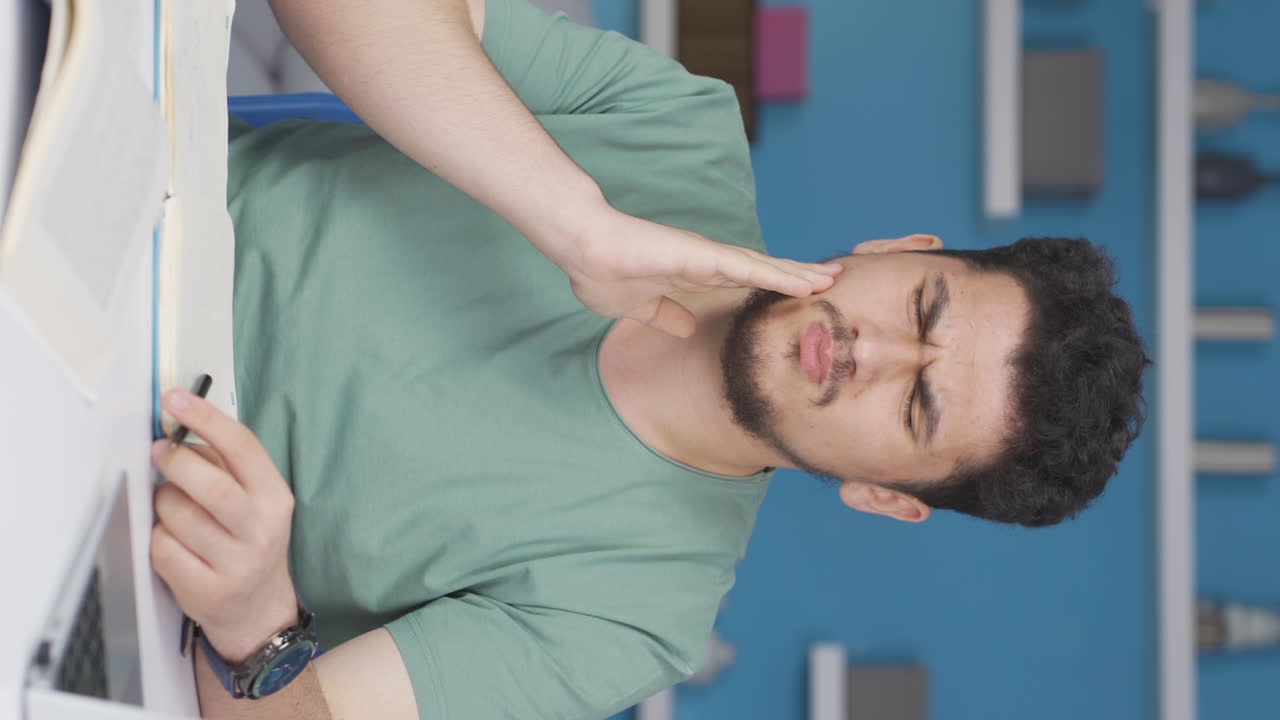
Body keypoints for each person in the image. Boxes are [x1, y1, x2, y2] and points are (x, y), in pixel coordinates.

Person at [147, 0, 1150, 718]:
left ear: (885, 496)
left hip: (120, 499)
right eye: (920, 307)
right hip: (121, 215)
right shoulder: (676, 126)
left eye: (915, 406)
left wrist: (255, 624)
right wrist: (570, 218)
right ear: (900, 249)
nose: (869, 351)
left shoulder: (637, 615)